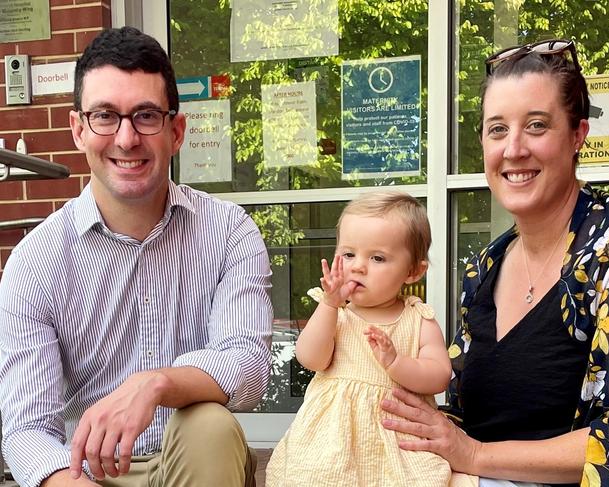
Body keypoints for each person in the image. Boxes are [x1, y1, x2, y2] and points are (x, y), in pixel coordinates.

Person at [0, 27, 273, 487]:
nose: (126, 139)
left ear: (176, 130)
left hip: (197, 462)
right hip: (90, 472)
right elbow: (27, 432)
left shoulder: (228, 231)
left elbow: (248, 365)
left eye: (146, 115)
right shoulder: (37, 260)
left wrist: (155, 383)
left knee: (209, 423)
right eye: (105, 116)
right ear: (78, 129)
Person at [380, 39, 609, 486]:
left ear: (578, 134)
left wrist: (476, 455)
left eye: (537, 126)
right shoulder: (485, 266)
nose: (514, 149)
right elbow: (463, 418)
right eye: (497, 129)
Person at [266, 191, 477, 487]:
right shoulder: (335, 312)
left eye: (377, 257)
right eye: (349, 254)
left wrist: (396, 364)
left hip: (398, 443)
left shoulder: (418, 319)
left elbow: (439, 377)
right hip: (330, 445)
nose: (358, 266)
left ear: (414, 271)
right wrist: (329, 304)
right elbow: (311, 357)